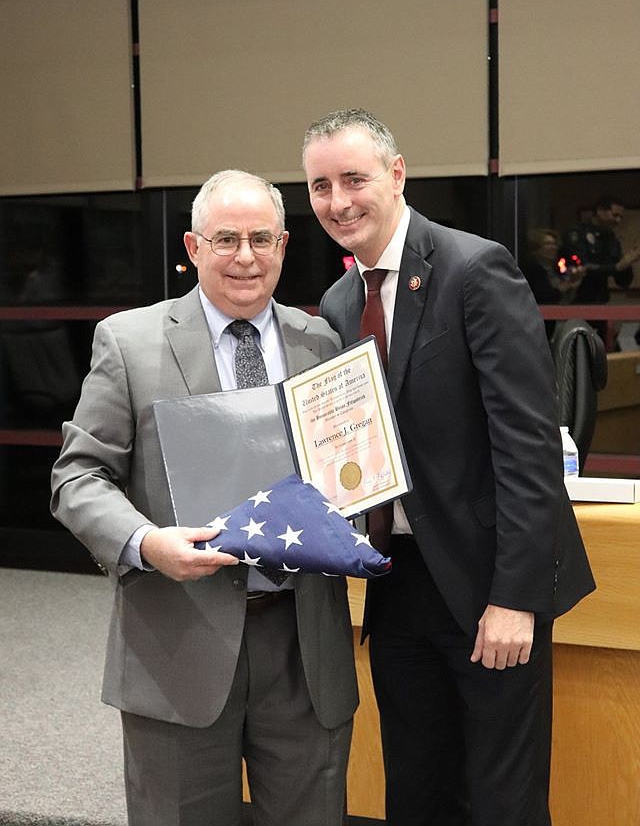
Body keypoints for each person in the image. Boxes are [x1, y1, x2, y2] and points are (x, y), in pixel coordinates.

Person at [302, 108, 595, 826]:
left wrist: (516, 597)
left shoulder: (474, 268)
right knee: (417, 788)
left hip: (488, 583)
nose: (338, 201)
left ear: (397, 175)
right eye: (319, 186)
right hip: (396, 584)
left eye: (354, 179)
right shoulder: (341, 301)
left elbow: (527, 452)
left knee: (502, 798)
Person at [50, 170, 358, 826]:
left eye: (260, 239)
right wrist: (144, 543)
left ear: (282, 245)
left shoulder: (321, 344)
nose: (245, 256)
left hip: (304, 649)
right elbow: (77, 477)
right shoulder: (130, 343)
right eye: (225, 239)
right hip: (178, 641)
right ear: (193, 247)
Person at [561, 195, 640, 305]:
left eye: (621, 217)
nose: (618, 220)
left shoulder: (611, 238)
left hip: (600, 303)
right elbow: (582, 266)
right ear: (600, 211)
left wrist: (627, 263)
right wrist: (617, 267)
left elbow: (622, 282)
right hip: (576, 301)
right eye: (615, 215)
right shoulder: (577, 233)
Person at [521, 227, 585, 339]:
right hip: (535, 325)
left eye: (554, 244)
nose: (553, 247)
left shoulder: (554, 269)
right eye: (547, 244)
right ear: (537, 248)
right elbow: (544, 296)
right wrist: (566, 285)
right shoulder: (532, 269)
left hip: (553, 324)